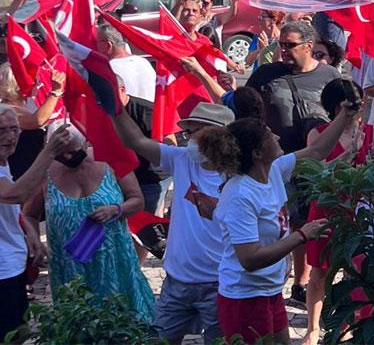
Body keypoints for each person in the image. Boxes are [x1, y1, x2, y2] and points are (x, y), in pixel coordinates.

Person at [202, 100, 362, 344]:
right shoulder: (239, 195)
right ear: (257, 154)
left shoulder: (273, 170)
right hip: (245, 298)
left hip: (270, 291)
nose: (276, 135)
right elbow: (249, 259)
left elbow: (317, 152)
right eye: (268, 135)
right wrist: (302, 236)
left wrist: (345, 115)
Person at [110, 102, 236, 344]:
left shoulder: (239, 175)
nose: (188, 140)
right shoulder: (180, 159)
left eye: (195, 132)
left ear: (219, 135)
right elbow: (135, 141)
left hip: (221, 285)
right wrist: (115, 106)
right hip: (177, 283)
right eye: (187, 133)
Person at [247, 21, 341, 303]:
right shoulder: (266, 74)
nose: (283, 50)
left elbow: (342, 114)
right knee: (283, 222)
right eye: (281, 44)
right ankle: (288, 278)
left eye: (290, 45)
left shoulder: (330, 75)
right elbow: (246, 108)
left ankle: (309, 280)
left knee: (313, 220)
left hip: (318, 163)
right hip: (275, 163)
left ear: (309, 46)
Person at [22, 128, 155, 323]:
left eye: (74, 152)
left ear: (86, 144)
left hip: (113, 260)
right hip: (70, 266)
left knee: (125, 320)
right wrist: (35, 240)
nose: (68, 157)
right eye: (61, 153)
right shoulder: (45, 171)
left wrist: (116, 209)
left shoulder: (109, 160)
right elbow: (29, 214)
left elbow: (137, 200)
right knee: (79, 324)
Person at [303, 79, 374, 345]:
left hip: (358, 211)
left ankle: (349, 324)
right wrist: (349, 153)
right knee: (319, 272)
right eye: (349, 105)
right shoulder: (318, 134)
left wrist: (372, 155)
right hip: (327, 208)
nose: (355, 110)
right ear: (335, 107)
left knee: (357, 271)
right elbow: (321, 172)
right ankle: (313, 327)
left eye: (358, 104)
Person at [0, 107, 69, 344]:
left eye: (14, 129)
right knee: (0, 338)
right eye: (0, 130)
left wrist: (30, 232)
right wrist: (48, 153)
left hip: (9, 264)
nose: (10, 137)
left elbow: (6, 209)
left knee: (18, 332)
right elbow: (14, 195)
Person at [115, 74, 170, 262]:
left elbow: (165, 143)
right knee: (123, 221)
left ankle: (137, 266)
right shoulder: (103, 109)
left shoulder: (146, 111)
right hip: (122, 174)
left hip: (151, 176)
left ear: (122, 90)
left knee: (142, 226)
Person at [0, 64, 66, 180]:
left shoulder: (20, 107)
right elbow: (37, 120)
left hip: (27, 170)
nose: (38, 85)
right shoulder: (7, 111)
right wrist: (55, 92)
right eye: (34, 81)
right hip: (19, 174)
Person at [96, 23, 156, 102]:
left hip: (125, 113)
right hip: (151, 112)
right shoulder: (144, 63)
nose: (95, 46)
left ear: (108, 45)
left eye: (97, 42)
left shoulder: (108, 69)